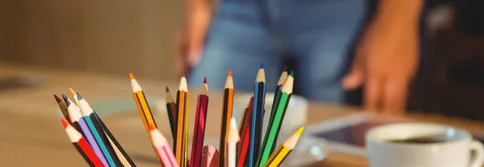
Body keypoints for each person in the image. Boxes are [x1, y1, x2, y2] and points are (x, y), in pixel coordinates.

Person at [178, 0, 424, 112]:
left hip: (344, 12)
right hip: (239, 8)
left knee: (342, 149)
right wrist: (196, 7)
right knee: (196, 136)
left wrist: (397, 20)